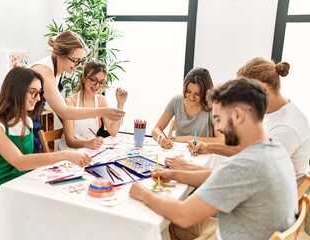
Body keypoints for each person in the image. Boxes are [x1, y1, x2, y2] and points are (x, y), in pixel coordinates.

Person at [130, 78, 298, 240]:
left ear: (238, 116)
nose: (217, 127)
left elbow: (183, 215)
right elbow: (218, 176)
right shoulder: (275, 149)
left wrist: (142, 193)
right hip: (243, 230)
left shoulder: (245, 165)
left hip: (226, 235)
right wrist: (175, 174)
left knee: (156, 224)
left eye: (218, 119)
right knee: (168, 225)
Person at [0, 67, 92, 210]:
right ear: (16, 91)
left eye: (39, 93)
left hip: (24, 184)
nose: (38, 98)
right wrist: (64, 155)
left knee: (68, 198)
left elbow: (29, 161)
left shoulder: (26, 121)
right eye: (33, 92)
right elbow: (20, 162)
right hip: (2, 193)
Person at [188, 57, 310, 183]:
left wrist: (191, 170)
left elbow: (251, 172)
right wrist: (209, 147)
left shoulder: (286, 128)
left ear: (263, 89)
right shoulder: (268, 111)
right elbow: (248, 150)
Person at [28, 30, 124, 152]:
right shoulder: (44, 72)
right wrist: (103, 111)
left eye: (81, 60)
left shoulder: (58, 71)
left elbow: (60, 110)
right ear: (61, 54)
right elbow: (63, 111)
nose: (78, 65)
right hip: (18, 123)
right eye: (75, 60)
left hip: (31, 122)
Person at [58, 59, 127, 150]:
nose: (97, 85)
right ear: (84, 77)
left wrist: (120, 103)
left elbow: (113, 131)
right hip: (69, 153)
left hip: (89, 151)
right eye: (93, 79)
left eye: (102, 82)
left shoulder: (101, 101)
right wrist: (88, 143)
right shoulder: (70, 102)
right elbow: (70, 141)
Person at [152, 67, 223, 149]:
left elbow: (221, 140)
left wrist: (188, 138)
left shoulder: (212, 106)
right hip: (178, 153)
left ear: (206, 93)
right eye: (188, 91)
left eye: (197, 94)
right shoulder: (176, 101)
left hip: (201, 154)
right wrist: (160, 138)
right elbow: (155, 130)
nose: (192, 97)